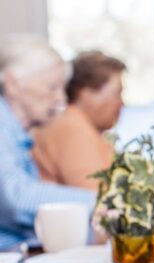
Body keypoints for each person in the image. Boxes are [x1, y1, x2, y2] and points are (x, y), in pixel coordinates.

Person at [0, 34, 94, 250]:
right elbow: (18, 198)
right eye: (52, 87)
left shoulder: (18, 135)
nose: (61, 99)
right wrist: (97, 202)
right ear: (13, 84)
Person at [32, 51, 125, 190]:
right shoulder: (71, 128)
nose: (121, 103)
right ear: (86, 93)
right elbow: (98, 197)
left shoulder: (81, 126)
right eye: (117, 94)